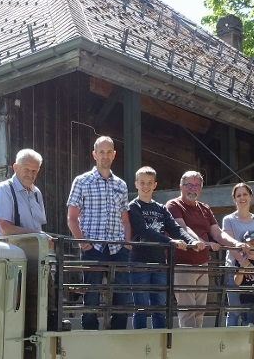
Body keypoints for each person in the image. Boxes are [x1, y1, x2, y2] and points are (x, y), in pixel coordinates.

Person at [67, 136, 132, 330]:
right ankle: (90, 331)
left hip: (117, 247)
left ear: (114, 155)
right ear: (94, 155)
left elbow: (125, 219)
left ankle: (118, 330)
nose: (105, 156)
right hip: (92, 247)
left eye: (108, 152)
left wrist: (127, 244)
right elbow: (71, 217)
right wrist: (82, 242)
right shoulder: (82, 181)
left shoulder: (121, 185)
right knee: (91, 293)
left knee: (121, 293)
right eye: (101, 152)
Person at [166, 171, 245, 327]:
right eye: (189, 184)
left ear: (201, 189)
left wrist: (236, 243)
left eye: (196, 185)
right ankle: (189, 346)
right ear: (181, 186)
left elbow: (217, 232)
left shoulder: (205, 208)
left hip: (202, 263)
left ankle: (197, 345)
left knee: (199, 311)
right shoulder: (174, 205)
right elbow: (183, 228)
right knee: (188, 311)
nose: (192, 188)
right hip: (183, 264)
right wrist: (205, 243)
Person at [128, 166, 193, 329]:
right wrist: (169, 242)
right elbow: (142, 230)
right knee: (141, 307)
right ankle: (139, 342)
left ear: (155, 185)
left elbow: (175, 228)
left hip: (159, 263)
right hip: (139, 262)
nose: (146, 186)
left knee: (160, 307)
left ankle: (160, 342)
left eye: (149, 182)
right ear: (136, 184)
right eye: (142, 182)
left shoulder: (161, 208)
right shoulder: (133, 206)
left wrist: (191, 241)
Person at [221, 183, 254, 326]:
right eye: (238, 195)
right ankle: (229, 342)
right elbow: (229, 243)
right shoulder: (228, 220)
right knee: (234, 309)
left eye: (245, 194)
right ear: (234, 199)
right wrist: (243, 261)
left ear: (251, 197)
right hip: (235, 267)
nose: (242, 198)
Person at [0, 149, 45, 235]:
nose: (30, 175)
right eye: (26, 169)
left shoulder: (37, 193)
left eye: (34, 171)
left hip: (33, 247)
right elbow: (5, 229)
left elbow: (38, 226)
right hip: (9, 247)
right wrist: (38, 234)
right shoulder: (5, 189)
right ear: (15, 168)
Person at [230, 231, 254, 326]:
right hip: (247, 300)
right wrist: (243, 268)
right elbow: (237, 282)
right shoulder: (241, 260)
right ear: (244, 243)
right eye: (252, 243)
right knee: (248, 325)